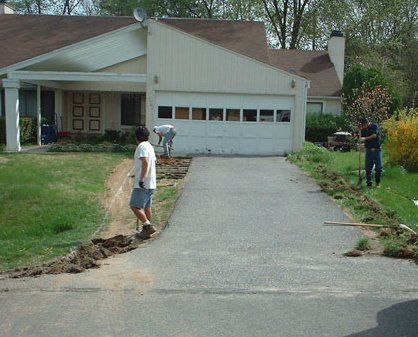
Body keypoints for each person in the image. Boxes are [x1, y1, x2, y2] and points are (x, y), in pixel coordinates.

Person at [130, 126, 157, 240]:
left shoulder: (141, 146)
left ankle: (147, 226)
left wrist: (141, 179)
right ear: (148, 136)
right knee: (146, 206)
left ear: (136, 137)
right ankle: (148, 228)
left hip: (143, 183)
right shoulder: (150, 146)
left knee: (134, 206)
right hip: (151, 182)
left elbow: (145, 162)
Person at [359, 118, 382, 187]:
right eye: (361, 126)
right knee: (368, 168)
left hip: (377, 150)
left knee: (378, 168)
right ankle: (369, 184)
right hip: (368, 151)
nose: (363, 127)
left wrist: (365, 138)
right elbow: (361, 139)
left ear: (366, 123)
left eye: (363, 125)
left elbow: (374, 135)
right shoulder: (363, 130)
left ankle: (377, 183)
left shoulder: (375, 126)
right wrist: (360, 143)